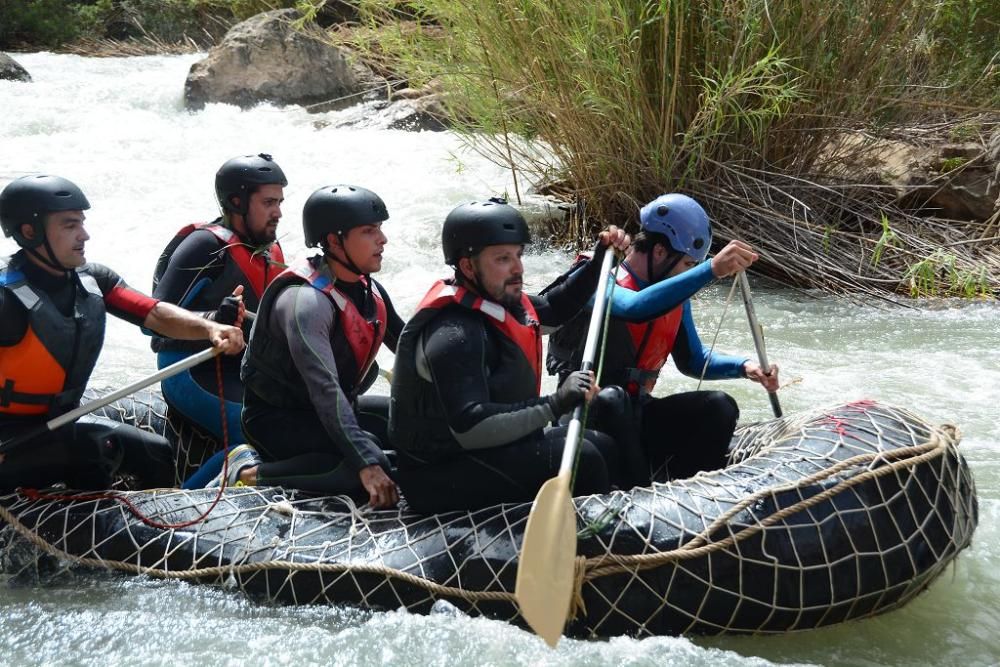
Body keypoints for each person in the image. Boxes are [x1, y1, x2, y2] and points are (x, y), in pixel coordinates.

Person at [0, 175, 244, 492]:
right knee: (99, 447)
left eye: (82, 223)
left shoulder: (93, 280)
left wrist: (211, 327)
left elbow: (154, 313)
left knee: (157, 452)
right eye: (69, 225)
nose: (84, 235)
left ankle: (152, 527)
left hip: (58, 423)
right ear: (30, 232)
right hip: (10, 438)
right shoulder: (7, 299)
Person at [388, 198, 630, 514]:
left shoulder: (500, 301)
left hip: (484, 454)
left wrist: (601, 260)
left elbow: (555, 308)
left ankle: (633, 525)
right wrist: (555, 403)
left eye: (518, 255)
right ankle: (599, 548)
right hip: (438, 474)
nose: (518, 268)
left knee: (603, 444)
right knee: (583, 458)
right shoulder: (453, 333)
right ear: (467, 266)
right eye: (503, 259)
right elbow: (470, 427)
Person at [547, 193, 780, 486]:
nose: (689, 272)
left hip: (637, 414)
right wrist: (710, 270)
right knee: (612, 398)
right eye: (687, 264)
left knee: (720, 406)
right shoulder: (596, 275)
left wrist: (746, 367)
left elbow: (693, 360)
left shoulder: (671, 293)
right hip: (588, 420)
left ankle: (691, 496)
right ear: (659, 252)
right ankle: (640, 493)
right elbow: (635, 308)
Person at [218, 185, 403, 509]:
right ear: (334, 241)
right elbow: (324, 389)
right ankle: (246, 472)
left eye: (380, 229)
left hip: (333, 409)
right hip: (278, 420)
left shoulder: (368, 289)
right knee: (370, 458)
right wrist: (366, 462)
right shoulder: (305, 302)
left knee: (409, 423)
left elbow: (411, 349)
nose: (382, 240)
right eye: (369, 231)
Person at [151, 153, 286, 488]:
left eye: (280, 202)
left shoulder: (269, 248)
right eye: (269, 202)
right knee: (258, 430)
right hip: (192, 369)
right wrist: (215, 318)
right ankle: (179, 507)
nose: (278, 212)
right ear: (237, 202)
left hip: (243, 370)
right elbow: (152, 323)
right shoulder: (203, 246)